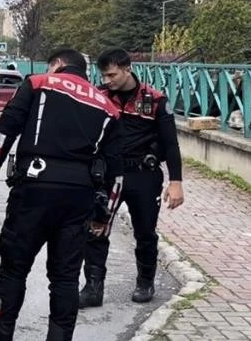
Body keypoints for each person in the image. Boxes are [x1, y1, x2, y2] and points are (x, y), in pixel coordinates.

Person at [0, 48, 124, 341]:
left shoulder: (37, 83)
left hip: (33, 190)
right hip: (79, 197)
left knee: (13, 272)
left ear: (57, 64)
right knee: (65, 279)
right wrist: (104, 217)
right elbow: (116, 171)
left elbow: (5, 130)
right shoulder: (108, 107)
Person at [79, 48, 185, 308]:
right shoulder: (99, 96)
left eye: (112, 75)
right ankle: (93, 288)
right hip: (108, 176)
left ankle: (145, 282)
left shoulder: (155, 99)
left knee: (145, 232)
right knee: (96, 229)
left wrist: (176, 182)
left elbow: (171, 144)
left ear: (127, 69)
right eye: (104, 76)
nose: (107, 81)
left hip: (142, 175)